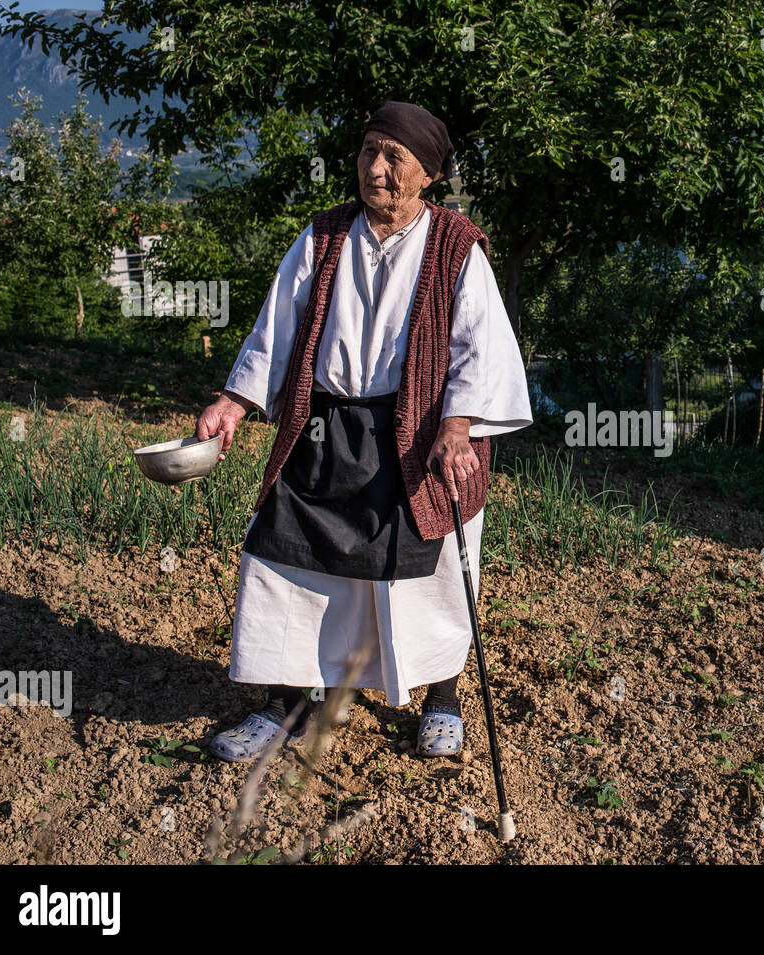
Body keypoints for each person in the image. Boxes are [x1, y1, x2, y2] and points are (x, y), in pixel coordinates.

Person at [194, 101, 532, 762]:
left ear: (429, 173)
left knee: (423, 576)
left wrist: (458, 426)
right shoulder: (323, 237)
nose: (374, 169)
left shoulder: (455, 246)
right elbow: (276, 327)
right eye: (368, 151)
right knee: (282, 560)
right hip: (323, 429)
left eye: (393, 157)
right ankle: (286, 702)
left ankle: (441, 695)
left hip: (419, 439)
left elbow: (479, 348)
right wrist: (235, 401)